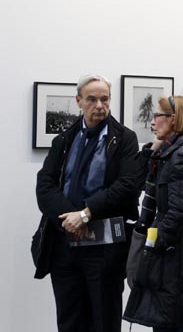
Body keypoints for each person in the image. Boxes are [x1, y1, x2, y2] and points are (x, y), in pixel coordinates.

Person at [35, 74, 140, 332]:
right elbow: (45, 185)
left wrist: (86, 213)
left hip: (104, 249)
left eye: (104, 99)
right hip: (65, 247)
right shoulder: (64, 140)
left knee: (103, 320)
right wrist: (71, 219)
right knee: (69, 320)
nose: (99, 106)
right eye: (92, 99)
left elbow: (127, 186)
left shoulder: (124, 139)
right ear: (79, 101)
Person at [124, 95, 183, 332]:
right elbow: (136, 181)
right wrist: (153, 149)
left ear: (174, 119)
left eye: (158, 116)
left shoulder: (180, 156)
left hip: (172, 253)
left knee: (169, 320)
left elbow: (177, 214)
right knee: (170, 319)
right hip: (176, 249)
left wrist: (154, 246)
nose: (153, 122)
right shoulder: (175, 153)